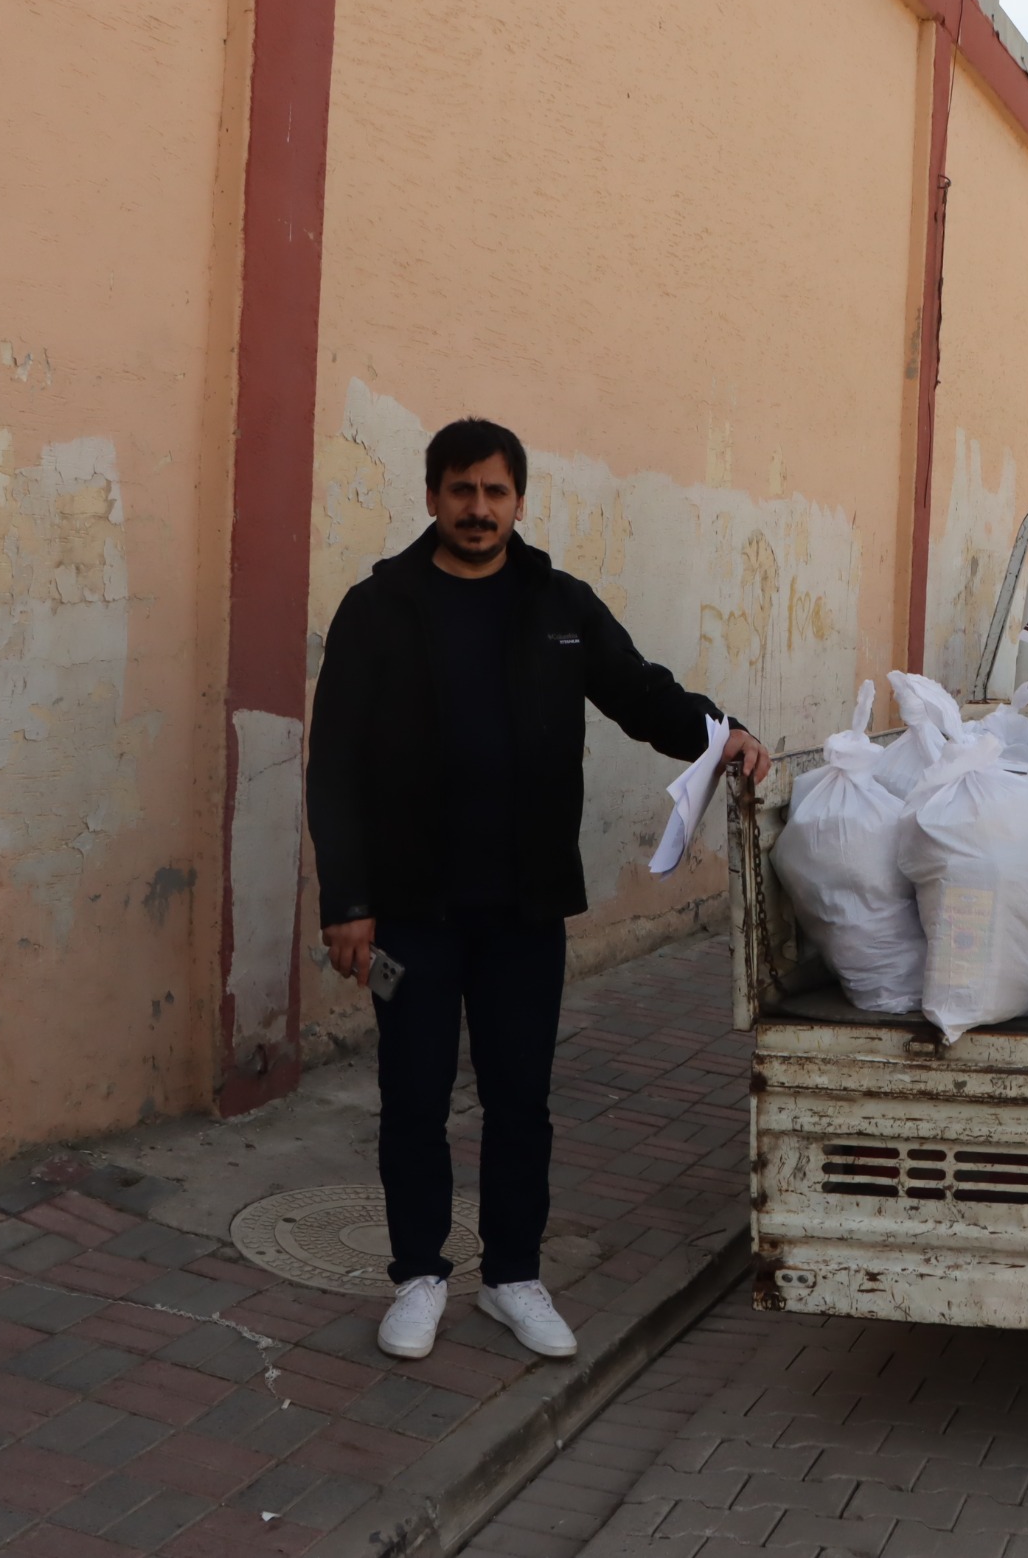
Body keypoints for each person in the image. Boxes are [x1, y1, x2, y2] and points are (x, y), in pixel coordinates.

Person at [306, 418, 771, 1362]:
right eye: (461, 490)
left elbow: (642, 695)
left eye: (496, 492)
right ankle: (420, 1276)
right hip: (412, 911)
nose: (478, 510)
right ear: (432, 496)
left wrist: (723, 734)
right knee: (414, 1097)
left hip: (524, 908)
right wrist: (346, 900)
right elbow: (335, 764)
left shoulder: (558, 606)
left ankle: (513, 1276)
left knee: (522, 1098)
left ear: (520, 500)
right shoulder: (380, 607)